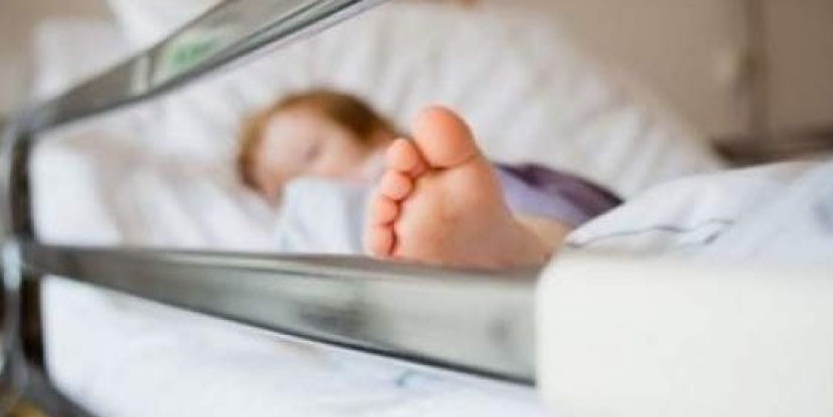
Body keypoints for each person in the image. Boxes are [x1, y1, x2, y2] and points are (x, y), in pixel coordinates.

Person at [237, 90, 621, 268]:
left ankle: (518, 247)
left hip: (555, 217)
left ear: (376, 135)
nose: (307, 186)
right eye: (285, 189)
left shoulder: (426, 182)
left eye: (311, 155)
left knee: (474, 196)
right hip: (417, 260)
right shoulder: (319, 233)